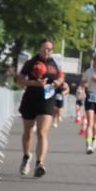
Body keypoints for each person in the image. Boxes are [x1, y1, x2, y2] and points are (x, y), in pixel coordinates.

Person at [16, 39, 66, 177]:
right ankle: (26, 157)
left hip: (47, 99)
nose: (47, 51)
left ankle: (40, 163)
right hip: (31, 98)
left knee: (42, 132)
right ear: (40, 48)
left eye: (49, 49)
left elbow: (61, 76)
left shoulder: (55, 63)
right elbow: (19, 79)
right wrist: (33, 83)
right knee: (28, 132)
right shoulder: (31, 62)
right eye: (45, 48)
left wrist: (58, 82)